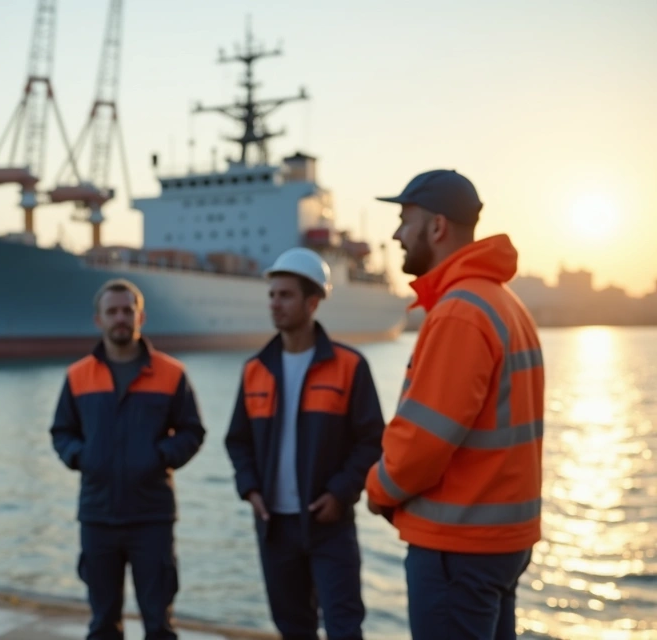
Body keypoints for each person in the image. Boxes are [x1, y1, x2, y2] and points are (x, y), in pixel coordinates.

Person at [365, 169, 544, 639]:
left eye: (406, 220)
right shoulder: (504, 304)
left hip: (458, 545)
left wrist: (378, 489)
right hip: (502, 542)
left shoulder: (460, 313)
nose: (397, 234)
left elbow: (424, 440)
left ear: (437, 227)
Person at [223, 248, 386, 640]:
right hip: (274, 528)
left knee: (344, 627)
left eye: (285, 295)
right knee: (293, 629)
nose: (275, 304)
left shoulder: (350, 366)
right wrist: (250, 489)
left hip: (329, 524)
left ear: (312, 302)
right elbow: (238, 441)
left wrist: (340, 493)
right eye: (272, 295)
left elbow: (373, 441)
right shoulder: (255, 369)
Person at [50, 278, 206, 640]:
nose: (120, 318)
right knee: (103, 623)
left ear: (141, 317)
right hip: (97, 516)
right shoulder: (78, 375)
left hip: (152, 516)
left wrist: (158, 457)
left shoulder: (171, 374)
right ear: (98, 320)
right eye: (112, 311)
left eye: (127, 311)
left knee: (159, 623)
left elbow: (192, 431)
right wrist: (82, 457)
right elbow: (61, 432)